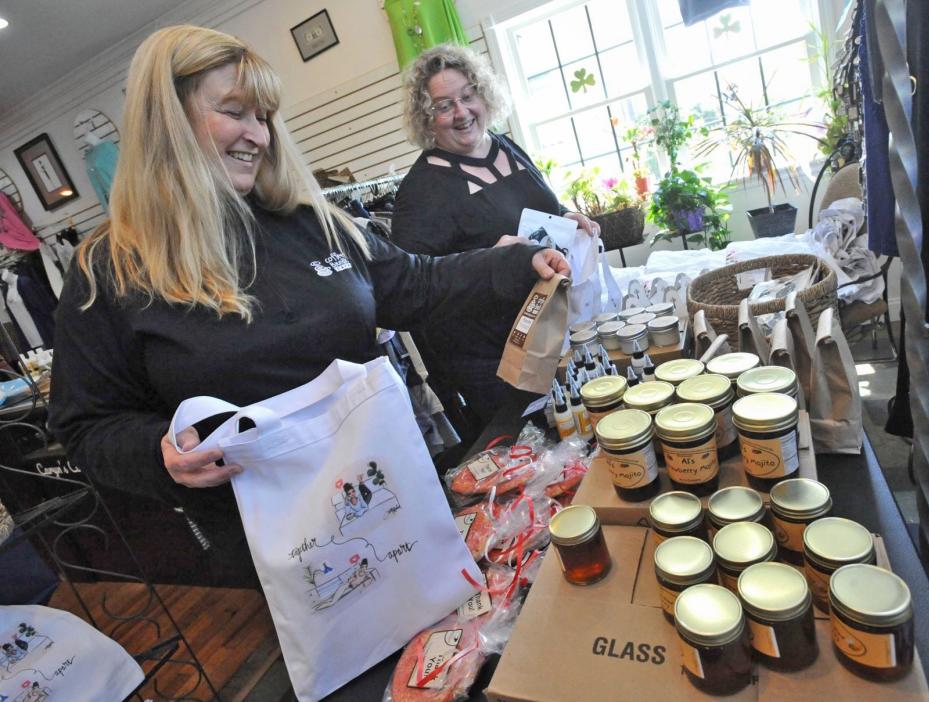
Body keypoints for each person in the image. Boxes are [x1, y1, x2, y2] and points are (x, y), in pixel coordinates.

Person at [47, 26, 568, 586]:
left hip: (395, 497)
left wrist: (512, 263)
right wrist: (159, 454)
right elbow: (87, 426)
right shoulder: (109, 269)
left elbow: (414, 285)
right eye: (235, 112)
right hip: (279, 553)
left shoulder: (311, 224)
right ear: (167, 119)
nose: (259, 136)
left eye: (265, 116)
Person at [392, 44, 598, 424]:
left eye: (468, 95)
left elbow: (536, 209)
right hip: (496, 363)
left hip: (552, 333)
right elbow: (409, 291)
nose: (461, 112)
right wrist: (491, 259)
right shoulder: (421, 192)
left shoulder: (506, 146)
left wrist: (566, 216)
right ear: (426, 117)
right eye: (443, 105)